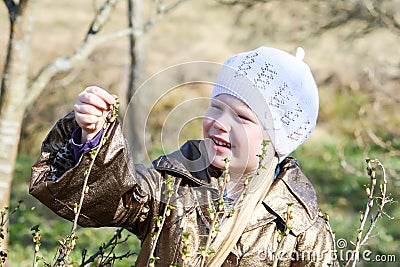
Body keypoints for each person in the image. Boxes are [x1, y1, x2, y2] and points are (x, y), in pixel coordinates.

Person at [30, 46, 337, 266]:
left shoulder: (300, 228)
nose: (220, 122)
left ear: (278, 141)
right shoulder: (174, 182)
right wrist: (92, 137)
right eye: (216, 106)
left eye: (242, 118)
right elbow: (106, 201)